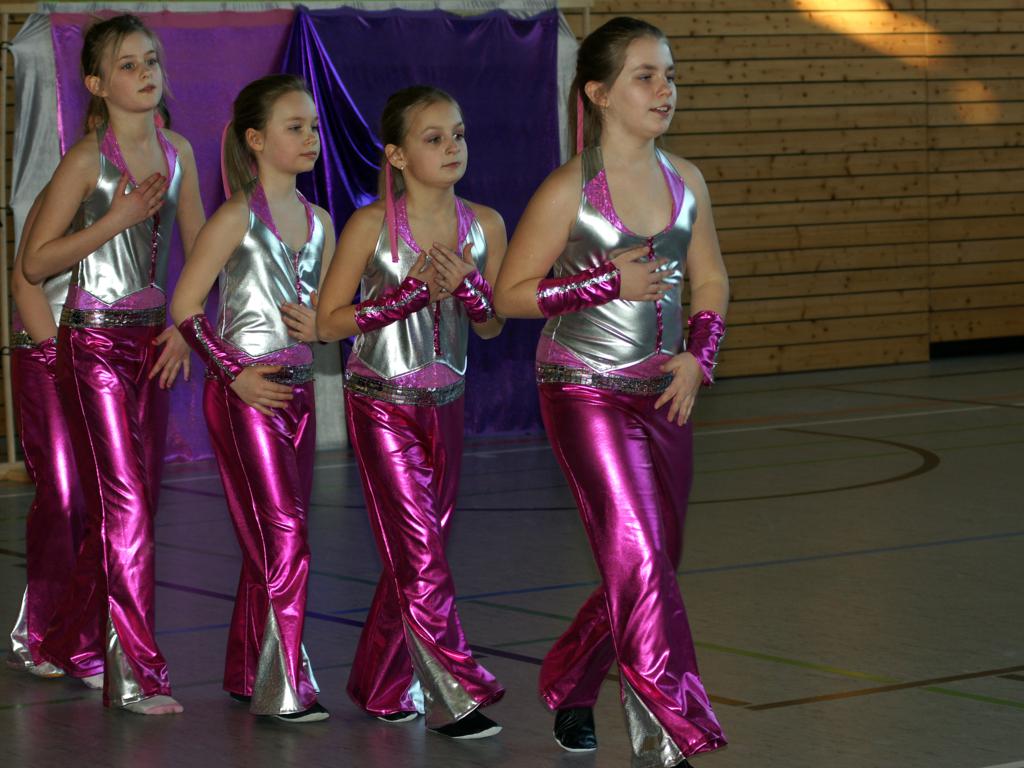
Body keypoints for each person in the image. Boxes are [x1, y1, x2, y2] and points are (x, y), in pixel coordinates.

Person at [493, 17, 729, 767]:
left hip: (666, 392)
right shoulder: (570, 188)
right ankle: (669, 734)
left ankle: (571, 678)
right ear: (598, 93)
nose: (665, 90)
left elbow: (711, 279)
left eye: (670, 75)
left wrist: (699, 357)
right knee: (642, 562)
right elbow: (509, 294)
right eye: (645, 76)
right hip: (585, 389)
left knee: (654, 561)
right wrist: (602, 282)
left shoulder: (687, 180)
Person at [22, 14, 205, 715]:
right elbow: (35, 263)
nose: (145, 72)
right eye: (127, 65)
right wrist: (113, 222)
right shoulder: (85, 161)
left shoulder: (179, 152)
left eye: (150, 59)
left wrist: (185, 328)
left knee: (134, 504)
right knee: (124, 501)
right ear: (97, 84)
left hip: (151, 343)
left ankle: (74, 640)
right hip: (93, 341)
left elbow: (200, 250)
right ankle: (137, 675)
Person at [317, 85, 506, 739]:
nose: (452, 147)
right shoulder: (371, 226)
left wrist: (470, 288)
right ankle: (455, 695)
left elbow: (490, 327)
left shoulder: (485, 225)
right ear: (396, 155)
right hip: (383, 406)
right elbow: (328, 323)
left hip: (447, 405)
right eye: (433, 138)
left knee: (419, 554)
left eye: (458, 134)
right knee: (423, 557)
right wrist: (406, 296)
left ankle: (380, 683)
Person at [171, 74, 334, 723]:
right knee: (285, 539)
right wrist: (233, 374)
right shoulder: (236, 217)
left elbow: (324, 313)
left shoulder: (321, 224)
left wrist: (324, 322)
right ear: (256, 139)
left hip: (299, 396)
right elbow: (186, 307)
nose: (310, 137)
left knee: (272, 540)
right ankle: (284, 686)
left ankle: (248, 668)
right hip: (245, 395)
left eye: (314, 126)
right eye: (295, 127)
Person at [5, 188, 85, 680]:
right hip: (46, 349)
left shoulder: (147, 197)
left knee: (108, 502)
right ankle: (40, 632)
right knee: (62, 492)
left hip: (107, 357)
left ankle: (87, 631)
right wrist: (56, 356)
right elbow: (24, 280)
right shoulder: (67, 188)